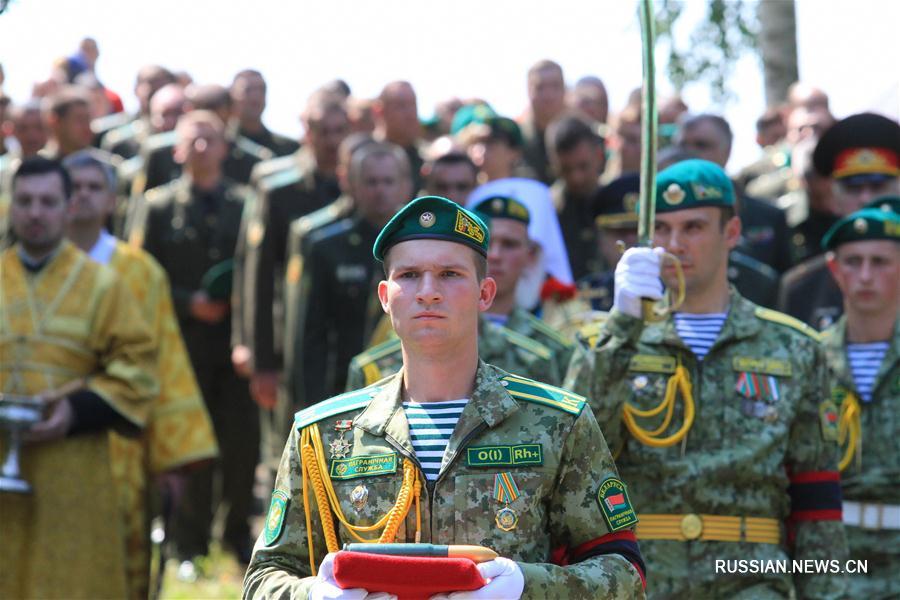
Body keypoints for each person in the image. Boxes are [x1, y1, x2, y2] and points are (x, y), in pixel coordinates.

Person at [243, 195, 646, 599]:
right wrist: (315, 596)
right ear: (385, 296)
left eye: (450, 274)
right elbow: (264, 577)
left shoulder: (558, 423)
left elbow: (623, 570)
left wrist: (527, 586)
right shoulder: (323, 434)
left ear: (485, 293)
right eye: (410, 275)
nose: (429, 292)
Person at [566, 159, 847, 598]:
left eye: (693, 227)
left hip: (753, 577)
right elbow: (576, 454)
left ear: (731, 233)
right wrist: (622, 324)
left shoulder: (794, 347)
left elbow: (817, 502)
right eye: (661, 229)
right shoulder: (610, 342)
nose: (675, 244)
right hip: (644, 578)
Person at [62, 151, 218, 598]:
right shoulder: (27, 269)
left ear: (112, 200)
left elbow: (165, 358)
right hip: (44, 438)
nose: (82, 197)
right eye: (73, 188)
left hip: (120, 440)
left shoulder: (140, 271)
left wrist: (170, 456)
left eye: (94, 188)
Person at [0, 157, 157, 599]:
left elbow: (139, 372)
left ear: (68, 207)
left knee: (70, 581)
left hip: (72, 464)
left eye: (48, 201)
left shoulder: (103, 285)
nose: (35, 212)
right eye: (25, 201)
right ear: (11, 207)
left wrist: (74, 411)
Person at [127, 110, 259, 569]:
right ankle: (188, 543)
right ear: (177, 150)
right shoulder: (157, 205)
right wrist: (188, 302)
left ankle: (237, 533)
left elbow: (260, 275)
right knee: (190, 446)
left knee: (241, 444)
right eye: (193, 141)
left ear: (225, 148)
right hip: (181, 342)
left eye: (211, 140)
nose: (202, 149)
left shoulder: (245, 203)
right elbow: (140, 273)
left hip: (234, 342)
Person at [238, 90, 348, 411]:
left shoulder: (359, 185)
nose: (331, 141)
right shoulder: (279, 190)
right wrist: (262, 360)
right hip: (289, 335)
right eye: (322, 131)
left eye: (339, 130)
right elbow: (257, 276)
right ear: (307, 132)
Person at [293, 142, 412, 407]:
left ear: (405, 185)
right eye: (371, 182)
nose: (380, 190)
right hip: (345, 388)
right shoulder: (326, 247)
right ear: (352, 185)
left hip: (410, 387)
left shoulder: (421, 248)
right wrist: (312, 403)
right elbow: (310, 335)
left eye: (388, 181)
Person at [819, 201, 900, 597]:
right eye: (853, 261)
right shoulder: (810, 358)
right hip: (836, 557)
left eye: (880, 262)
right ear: (834, 269)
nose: (865, 275)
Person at [778, 112, 900, 329]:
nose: (865, 198)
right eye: (852, 188)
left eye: (878, 187)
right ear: (832, 196)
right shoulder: (802, 288)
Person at [676, 113, 792, 274]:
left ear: (727, 150)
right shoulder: (662, 214)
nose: (689, 153)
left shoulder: (769, 216)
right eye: (682, 145)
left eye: (701, 145)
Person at [546, 113, 606, 280]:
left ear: (599, 157)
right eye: (566, 169)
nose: (576, 178)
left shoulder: (615, 205)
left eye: (583, 166)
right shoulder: (547, 209)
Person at [230, 69, 299, 157]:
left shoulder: (289, 148)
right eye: (248, 90)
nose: (256, 97)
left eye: (262, 89)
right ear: (232, 95)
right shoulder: (219, 146)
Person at [519, 59, 566, 184]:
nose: (548, 95)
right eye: (540, 87)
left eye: (555, 86)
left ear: (564, 90)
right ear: (529, 91)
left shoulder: (581, 136)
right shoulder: (515, 140)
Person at [373, 80, 423, 191]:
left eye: (413, 105)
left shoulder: (426, 158)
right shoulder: (365, 156)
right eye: (401, 106)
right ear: (379, 111)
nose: (410, 114)